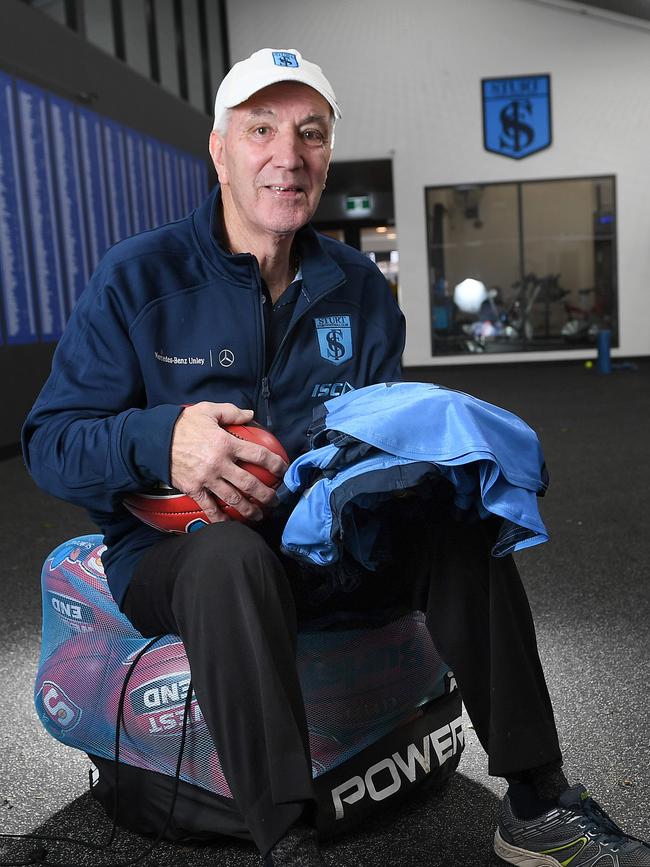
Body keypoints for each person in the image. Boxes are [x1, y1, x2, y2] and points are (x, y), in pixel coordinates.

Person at [22, 48, 649, 867]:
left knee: (464, 520)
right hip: (179, 560)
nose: (289, 155)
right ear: (219, 149)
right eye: (262, 129)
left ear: (326, 156)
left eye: (310, 134)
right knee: (227, 556)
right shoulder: (138, 277)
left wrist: (431, 464)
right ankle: (289, 841)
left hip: (330, 544)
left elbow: (377, 439)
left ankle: (537, 802)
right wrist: (160, 441)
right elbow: (50, 444)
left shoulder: (357, 287)